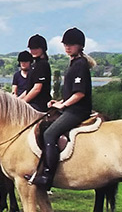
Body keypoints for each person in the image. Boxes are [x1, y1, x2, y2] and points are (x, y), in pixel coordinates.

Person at [26, 27, 96, 188]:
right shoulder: (73, 63)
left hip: (77, 111)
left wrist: (63, 104)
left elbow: (79, 94)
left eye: (71, 44)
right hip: (70, 108)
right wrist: (57, 101)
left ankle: (47, 177)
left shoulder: (80, 65)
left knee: (50, 134)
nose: (67, 47)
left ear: (80, 46)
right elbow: (71, 92)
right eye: (66, 44)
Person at [21, 34, 52, 112]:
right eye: (31, 48)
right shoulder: (34, 65)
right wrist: (16, 101)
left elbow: (37, 89)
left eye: (36, 48)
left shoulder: (43, 64)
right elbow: (28, 89)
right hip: (31, 103)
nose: (33, 51)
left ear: (43, 49)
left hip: (39, 105)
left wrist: (22, 103)